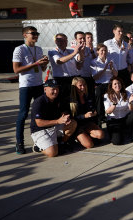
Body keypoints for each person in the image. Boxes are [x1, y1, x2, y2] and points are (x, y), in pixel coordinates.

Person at [13, 26, 49, 154]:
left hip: (38, 84)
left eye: (37, 33)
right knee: (23, 115)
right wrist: (36, 63)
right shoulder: (19, 49)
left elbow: (42, 69)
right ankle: (19, 143)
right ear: (25, 35)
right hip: (26, 86)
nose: (35, 36)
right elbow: (16, 70)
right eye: (32, 33)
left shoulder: (39, 49)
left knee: (40, 114)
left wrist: (44, 63)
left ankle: (40, 141)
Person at [30, 79, 78, 157]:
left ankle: (62, 143)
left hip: (54, 126)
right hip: (40, 130)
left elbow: (63, 111)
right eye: (53, 89)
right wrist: (58, 121)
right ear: (45, 89)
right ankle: (37, 147)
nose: (56, 91)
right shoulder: (38, 102)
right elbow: (39, 123)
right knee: (52, 153)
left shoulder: (57, 99)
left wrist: (65, 118)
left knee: (73, 123)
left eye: (57, 88)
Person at [104, 76, 133, 145]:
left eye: (119, 83)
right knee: (117, 142)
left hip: (124, 119)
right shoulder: (107, 96)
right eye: (115, 84)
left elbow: (131, 109)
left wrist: (130, 102)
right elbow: (108, 111)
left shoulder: (126, 93)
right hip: (114, 121)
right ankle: (116, 133)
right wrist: (114, 103)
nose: (117, 85)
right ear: (111, 86)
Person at [69, 77, 105, 148]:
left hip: (87, 123)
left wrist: (94, 113)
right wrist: (84, 116)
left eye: (84, 85)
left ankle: (87, 135)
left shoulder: (88, 96)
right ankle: (78, 137)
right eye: (80, 85)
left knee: (101, 135)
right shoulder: (71, 100)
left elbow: (93, 108)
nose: (83, 87)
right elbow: (71, 117)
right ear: (75, 87)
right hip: (77, 126)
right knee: (89, 145)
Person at [49, 33, 82, 106]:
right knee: (63, 101)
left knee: (75, 100)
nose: (61, 42)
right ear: (56, 42)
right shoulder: (52, 52)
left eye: (63, 40)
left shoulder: (70, 51)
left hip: (73, 79)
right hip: (61, 80)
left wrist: (81, 51)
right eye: (59, 40)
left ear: (66, 41)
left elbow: (79, 62)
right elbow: (59, 61)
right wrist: (74, 53)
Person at [91, 43, 117, 124]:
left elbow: (116, 75)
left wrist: (112, 68)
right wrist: (104, 68)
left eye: (105, 50)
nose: (103, 52)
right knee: (98, 94)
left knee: (114, 93)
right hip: (100, 84)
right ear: (97, 51)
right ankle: (100, 117)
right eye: (101, 50)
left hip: (109, 83)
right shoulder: (94, 62)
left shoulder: (111, 60)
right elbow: (95, 77)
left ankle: (113, 115)